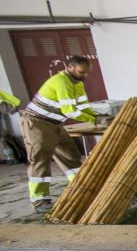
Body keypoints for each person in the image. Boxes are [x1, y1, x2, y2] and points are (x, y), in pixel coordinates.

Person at [19, 56, 98, 212]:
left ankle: (81, 189)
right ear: (69, 67)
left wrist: (97, 117)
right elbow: (71, 111)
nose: (85, 76)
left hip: (55, 124)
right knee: (40, 160)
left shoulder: (78, 84)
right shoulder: (61, 82)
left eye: (87, 73)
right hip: (36, 123)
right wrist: (92, 120)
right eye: (82, 72)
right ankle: (40, 200)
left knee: (71, 156)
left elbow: (83, 107)